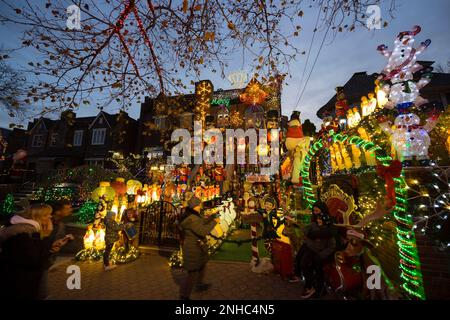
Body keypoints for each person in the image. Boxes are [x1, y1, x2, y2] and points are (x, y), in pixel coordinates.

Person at [0, 203, 63, 299]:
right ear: (35, 217)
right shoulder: (24, 234)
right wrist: (46, 236)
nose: (50, 216)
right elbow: (35, 260)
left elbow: (36, 252)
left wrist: (50, 248)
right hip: (19, 282)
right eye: (46, 215)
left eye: (50, 214)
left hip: (21, 281)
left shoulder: (28, 231)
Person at [178, 196, 219, 300]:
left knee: (201, 265)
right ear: (195, 206)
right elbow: (202, 231)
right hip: (193, 248)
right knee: (192, 273)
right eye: (199, 204)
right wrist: (214, 222)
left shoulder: (193, 215)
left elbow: (201, 222)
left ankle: (199, 284)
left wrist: (212, 217)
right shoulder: (192, 219)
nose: (201, 206)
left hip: (197, 247)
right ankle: (184, 296)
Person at [294, 201, 336, 299]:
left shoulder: (328, 228)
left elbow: (331, 245)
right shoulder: (314, 224)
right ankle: (306, 281)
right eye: (315, 211)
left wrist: (321, 254)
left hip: (319, 252)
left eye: (317, 211)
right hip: (310, 248)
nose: (316, 214)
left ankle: (313, 286)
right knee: (302, 261)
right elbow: (306, 229)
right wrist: (309, 234)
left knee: (309, 263)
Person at [103, 207, 124, 271]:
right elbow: (117, 228)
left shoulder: (109, 221)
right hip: (110, 239)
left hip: (109, 238)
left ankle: (106, 263)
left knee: (107, 250)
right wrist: (121, 225)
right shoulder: (110, 222)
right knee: (107, 251)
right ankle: (107, 265)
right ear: (111, 216)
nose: (114, 217)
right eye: (113, 216)